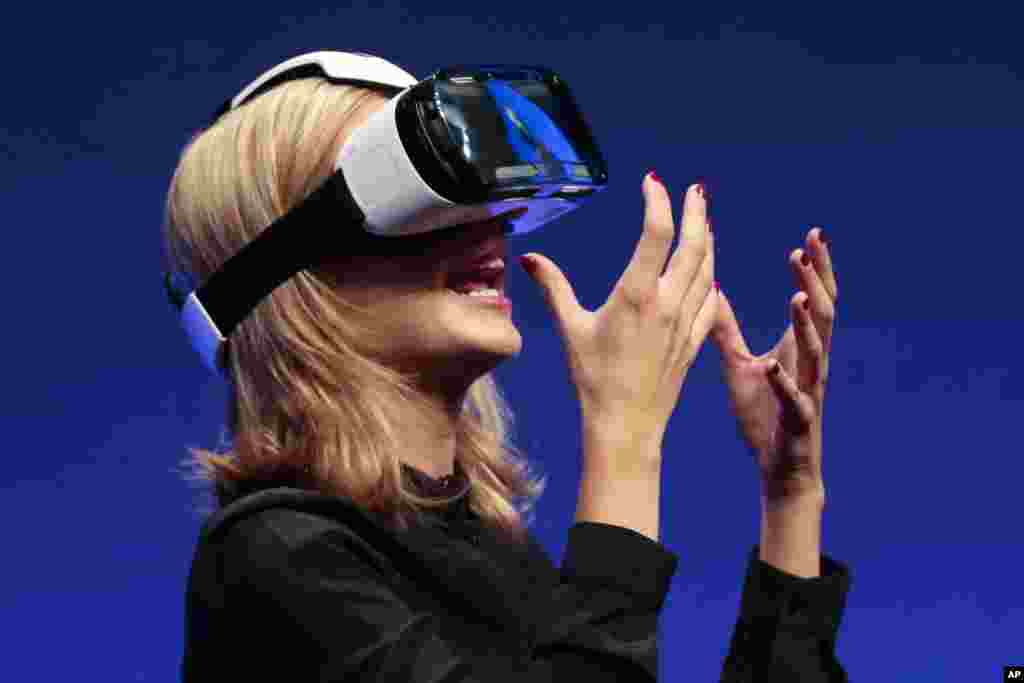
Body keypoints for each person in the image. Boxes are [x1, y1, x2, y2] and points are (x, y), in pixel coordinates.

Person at [168, 54, 851, 682]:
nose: (492, 223)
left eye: (484, 192)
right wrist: (624, 437)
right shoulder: (272, 560)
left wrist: (790, 492)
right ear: (290, 270)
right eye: (415, 196)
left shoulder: (491, 555)